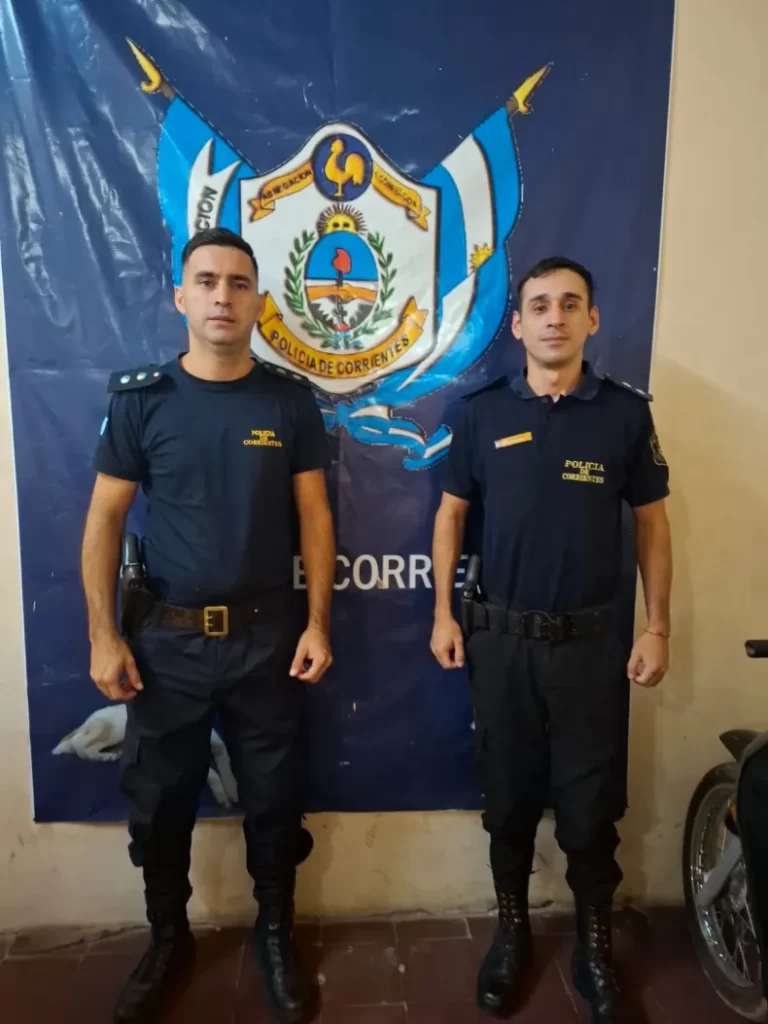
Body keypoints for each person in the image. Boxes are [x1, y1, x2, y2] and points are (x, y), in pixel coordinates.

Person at [81, 227, 335, 1024]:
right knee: (160, 804)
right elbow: (103, 521)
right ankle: (168, 940)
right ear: (181, 297)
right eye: (207, 281)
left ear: (259, 301)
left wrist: (318, 623)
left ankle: (274, 936)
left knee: (274, 801)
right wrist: (103, 637)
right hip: (166, 644)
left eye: (238, 283)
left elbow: (315, 518)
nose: (223, 296)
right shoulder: (142, 400)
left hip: (267, 638)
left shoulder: (288, 401)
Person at [430, 256, 672, 1022]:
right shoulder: (480, 413)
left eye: (570, 304)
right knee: (507, 803)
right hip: (501, 643)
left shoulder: (624, 415)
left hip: (592, 647)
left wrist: (657, 625)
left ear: (592, 319)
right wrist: (443, 615)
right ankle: (511, 933)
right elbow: (450, 516)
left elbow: (652, 526)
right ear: (518, 324)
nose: (555, 317)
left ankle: (594, 945)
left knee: (589, 811)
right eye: (540, 305)